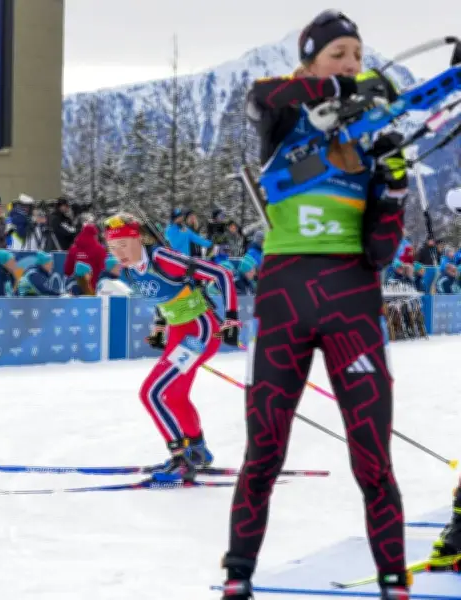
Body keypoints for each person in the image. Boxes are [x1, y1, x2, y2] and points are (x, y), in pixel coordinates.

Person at [219, 11, 409, 600]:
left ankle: (392, 578)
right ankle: (238, 574)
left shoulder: (370, 138)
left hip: (353, 297)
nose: (353, 63)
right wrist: (341, 89)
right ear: (311, 63)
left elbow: (380, 250)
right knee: (264, 452)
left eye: (358, 54)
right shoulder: (283, 118)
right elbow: (256, 94)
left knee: (372, 456)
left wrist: (394, 189)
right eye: (339, 54)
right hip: (285, 296)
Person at [103, 213, 239, 481]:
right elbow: (161, 298)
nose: (119, 253)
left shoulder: (163, 258)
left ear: (139, 239)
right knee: (173, 396)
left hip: (200, 331)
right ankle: (197, 450)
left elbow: (221, 274)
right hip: (179, 332)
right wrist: (160, 327)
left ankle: (181, 458)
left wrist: (232, 317)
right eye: (113, 248)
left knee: (151, 393)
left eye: (124, 245)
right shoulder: (130, 271)